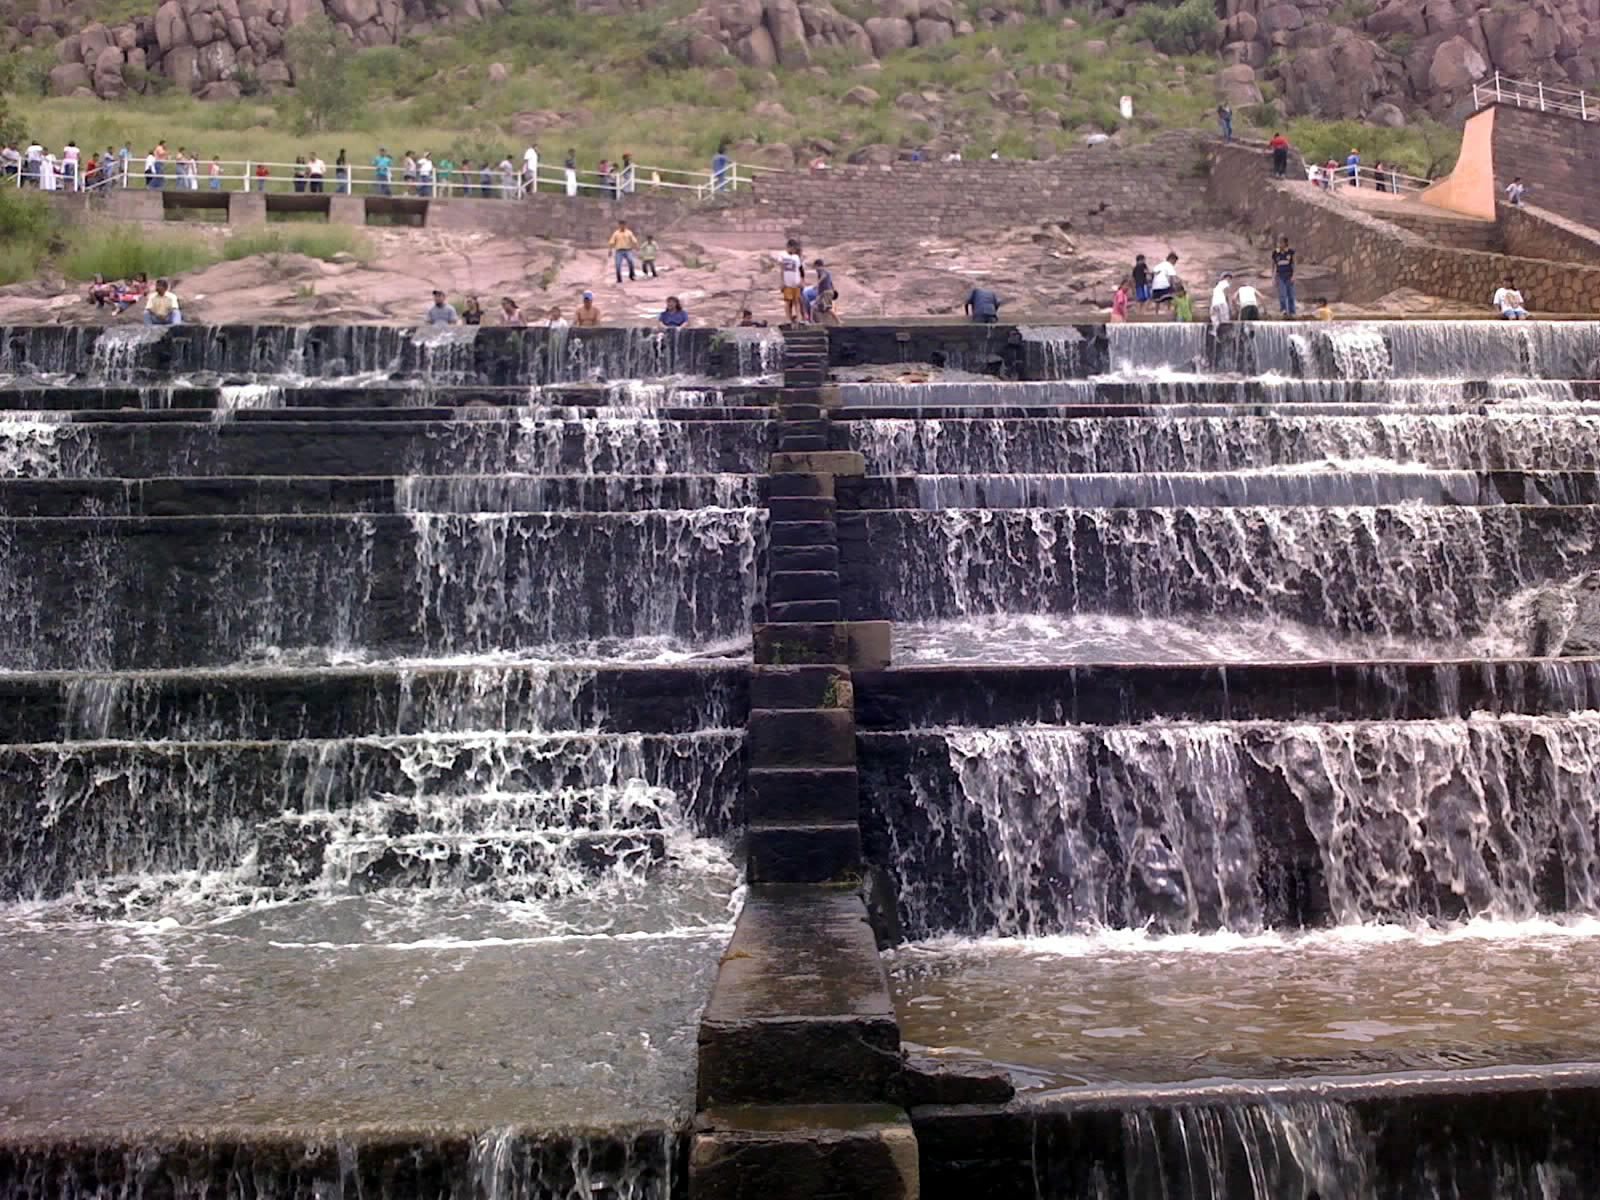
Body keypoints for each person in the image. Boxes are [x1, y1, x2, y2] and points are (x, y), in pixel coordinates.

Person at [779, 239, 806, 323]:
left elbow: (800, 270)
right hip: (787, 283)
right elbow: (782, 269)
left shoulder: (796, 257)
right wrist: (782, 281)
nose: (794, 250)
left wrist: (801, 281)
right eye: (793, 248)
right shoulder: (782, 255)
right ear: (789, 247)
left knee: (796, 301)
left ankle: (799, 318)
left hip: (796, 283)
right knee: (788, 301)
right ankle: (788, 318)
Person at [1271, 235, 1296, 317]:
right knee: (1282, 294)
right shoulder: (1275, 253)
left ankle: (1292, 312)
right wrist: (1273, 277)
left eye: (1281, 242)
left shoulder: (1290, 252)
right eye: (1279, 242)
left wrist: (1294, 275)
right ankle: (1283, 310)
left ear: (1285, 243)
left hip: (1289, 275)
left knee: (1291, 294)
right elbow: (1273, 265)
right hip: (1280, 276)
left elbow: (1294, 264)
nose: (1279, 244)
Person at [812, 258, 838, 325]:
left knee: (826, 308)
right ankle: (819, 322)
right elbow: (831, 282)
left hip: (825, 292)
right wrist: (833, 291)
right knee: (816, 307)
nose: (815, 268)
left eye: (814, 266)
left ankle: (838, 321)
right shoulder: (827, 272)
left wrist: (817, 284)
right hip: (826, 292)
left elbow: (823, 276)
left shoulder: (821, 270)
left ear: (817, 265)